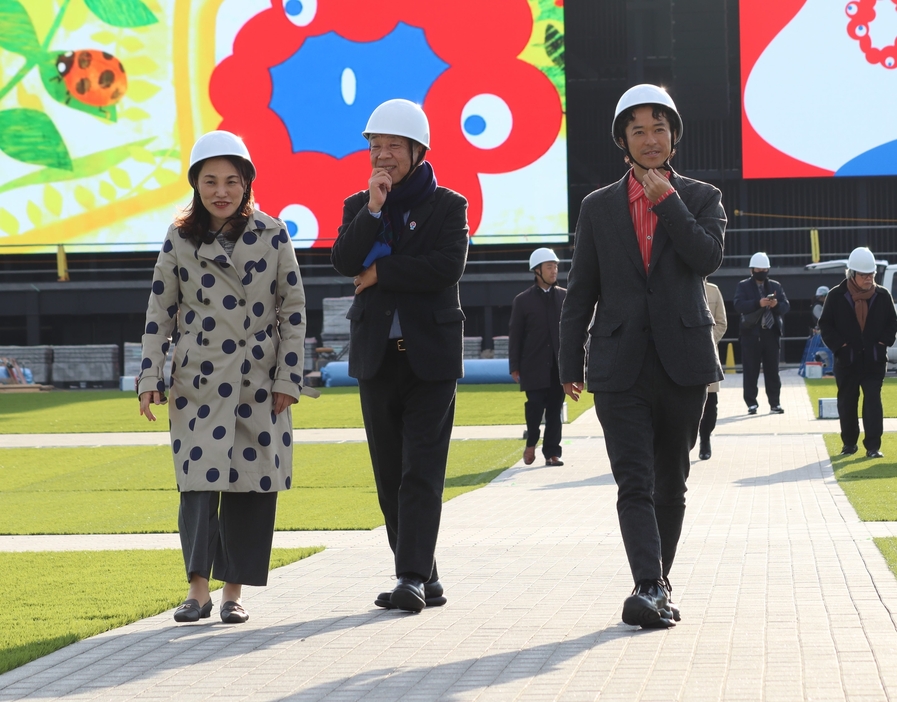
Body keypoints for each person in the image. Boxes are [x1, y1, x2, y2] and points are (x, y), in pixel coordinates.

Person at [559, 84, 725, 629]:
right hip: (617, 366)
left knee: (670, 482)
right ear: (622, 142)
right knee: (633, 481)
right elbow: (581, 290)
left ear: (673, 138)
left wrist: (668, 203)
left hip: (683, 362)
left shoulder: (702, 197)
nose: (650, 139)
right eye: (638, 130)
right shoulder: (598, 207)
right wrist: (568, 362)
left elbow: (705, 258)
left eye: (659, 128)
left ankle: (658, 583)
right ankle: (648, 584)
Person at [137, 131, 308, 624]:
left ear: (247, 183)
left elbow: (293, 310)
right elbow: (159, 310)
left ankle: (233, 593)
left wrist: (287, 379)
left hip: (259, 379)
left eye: (232, 181)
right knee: (197, 486)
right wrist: (151, 373)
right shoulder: (179, 237)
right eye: (210, 180)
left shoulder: (274, 234)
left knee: (252, 487)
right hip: (198, 379)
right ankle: (197, 590)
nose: (221, 191)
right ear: (195, 185)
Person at [331, 99, 469, 613]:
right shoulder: (357, 205)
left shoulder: (448, 206)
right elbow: (344, 260)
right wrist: (372, 210)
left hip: (429, 357)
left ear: (417, 151)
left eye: (392, 146)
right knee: (389, 473)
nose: (382, 155)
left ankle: (408, 576)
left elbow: (445, 268)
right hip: (376, 357)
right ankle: (426, 576)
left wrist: (383, 274)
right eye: (375, 146)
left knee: (421, 471)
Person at [819, 247, 897, 458]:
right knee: (847, 402)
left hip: (874, 360)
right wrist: (841, 348)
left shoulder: (882, 295)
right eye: (864, 275)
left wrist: (882, 344)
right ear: (852, 274)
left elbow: (892, 322)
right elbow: (825, 326)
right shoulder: (836, 296)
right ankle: (849, 444)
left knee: (873, 401)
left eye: (871, 274)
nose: (869, 278)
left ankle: (873, 447)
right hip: (847, 361)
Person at [508, 248, 567, 467]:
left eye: (556, 266)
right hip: (532, 366)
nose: (554, 271)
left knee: (555, 410)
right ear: (537, 270)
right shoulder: (522, 301)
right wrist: (514, 366)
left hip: (558, 367)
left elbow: (572, 333)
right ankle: (531, 441)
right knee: (534, 406)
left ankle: (552, 453)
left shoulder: (565, 297)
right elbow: (515, 336)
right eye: (550, 267)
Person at [733, 252, 790, 414]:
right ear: (752, 270)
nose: (762, 272)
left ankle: (775, 403)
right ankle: (751, 403)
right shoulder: (743, 286)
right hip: (751, 334)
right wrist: (758, 303)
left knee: (773, 371)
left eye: (764, 269)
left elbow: (786, 306)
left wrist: (775, 305)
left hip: (771, 334)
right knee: (750, 370)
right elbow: (738, 305)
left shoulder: (775, 286)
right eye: (758, 269)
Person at [698, 281, 728, 460]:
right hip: (681, 355)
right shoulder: (674, 286)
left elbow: (721, 323)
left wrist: (706, 341)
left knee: (710, 403)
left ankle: (705, 439)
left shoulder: (713, 291)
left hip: (707, 356)